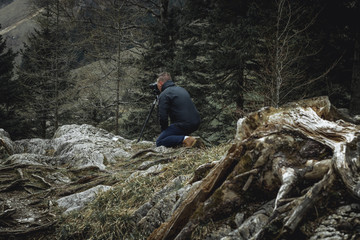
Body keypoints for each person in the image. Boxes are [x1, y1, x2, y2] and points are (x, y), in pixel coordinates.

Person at [155, 72, 200, 148]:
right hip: (196, 122)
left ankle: (186, 139)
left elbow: (163, 117)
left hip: (183, 124)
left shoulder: (164, 94)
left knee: (159, 141)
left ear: (160, 83)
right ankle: (186, 139)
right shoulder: (181, 89)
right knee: (174, 132)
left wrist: (165, 132)